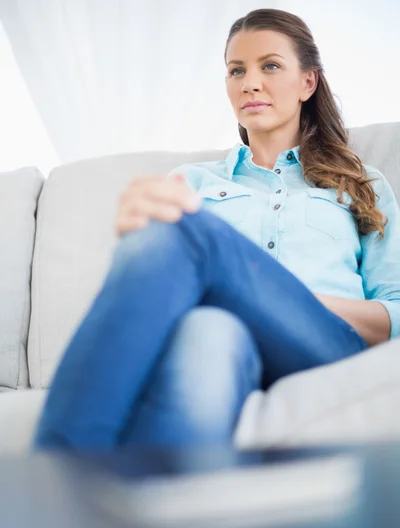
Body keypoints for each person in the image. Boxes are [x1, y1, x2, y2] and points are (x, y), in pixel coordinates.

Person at [33, 8, 400, 450]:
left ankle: (58, 468)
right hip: (227, 338)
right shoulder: (193, 181)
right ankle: (179, 507)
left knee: (186, 230)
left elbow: (393, 314)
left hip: (327, 345)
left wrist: (281, 295)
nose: (249, 83)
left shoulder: (363, 184)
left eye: (270, 66)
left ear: (308, 82)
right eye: (236, 70)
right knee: (206, 330)